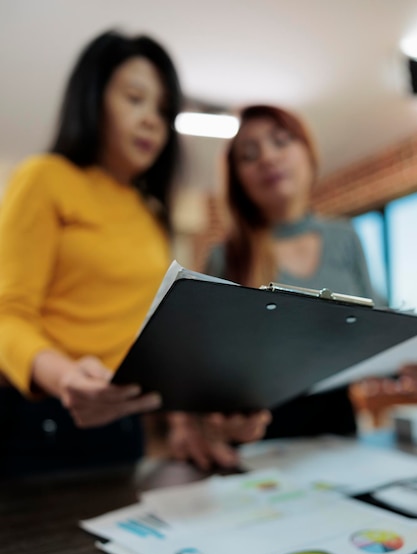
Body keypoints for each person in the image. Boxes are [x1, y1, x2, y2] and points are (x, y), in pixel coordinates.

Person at [0, 32, 270, 476]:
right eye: (134, 98)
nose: (152, 122)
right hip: (42, 419)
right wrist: (65, 377)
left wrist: (186, 415)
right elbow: (10, 314)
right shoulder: (45, 178)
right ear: (91, 97)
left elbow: (145, 337)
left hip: (121, 427)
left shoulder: (149, 213)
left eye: (163, 112)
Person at [205, 104, 377, 440]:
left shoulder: (345, 238)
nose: (267, 158)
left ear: (307, 152)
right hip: (258, 433)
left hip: (339, 427)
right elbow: (209, 364)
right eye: (249, 155)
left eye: (281, 142)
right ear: (238, 178)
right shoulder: (226, 257)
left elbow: (375, 322)